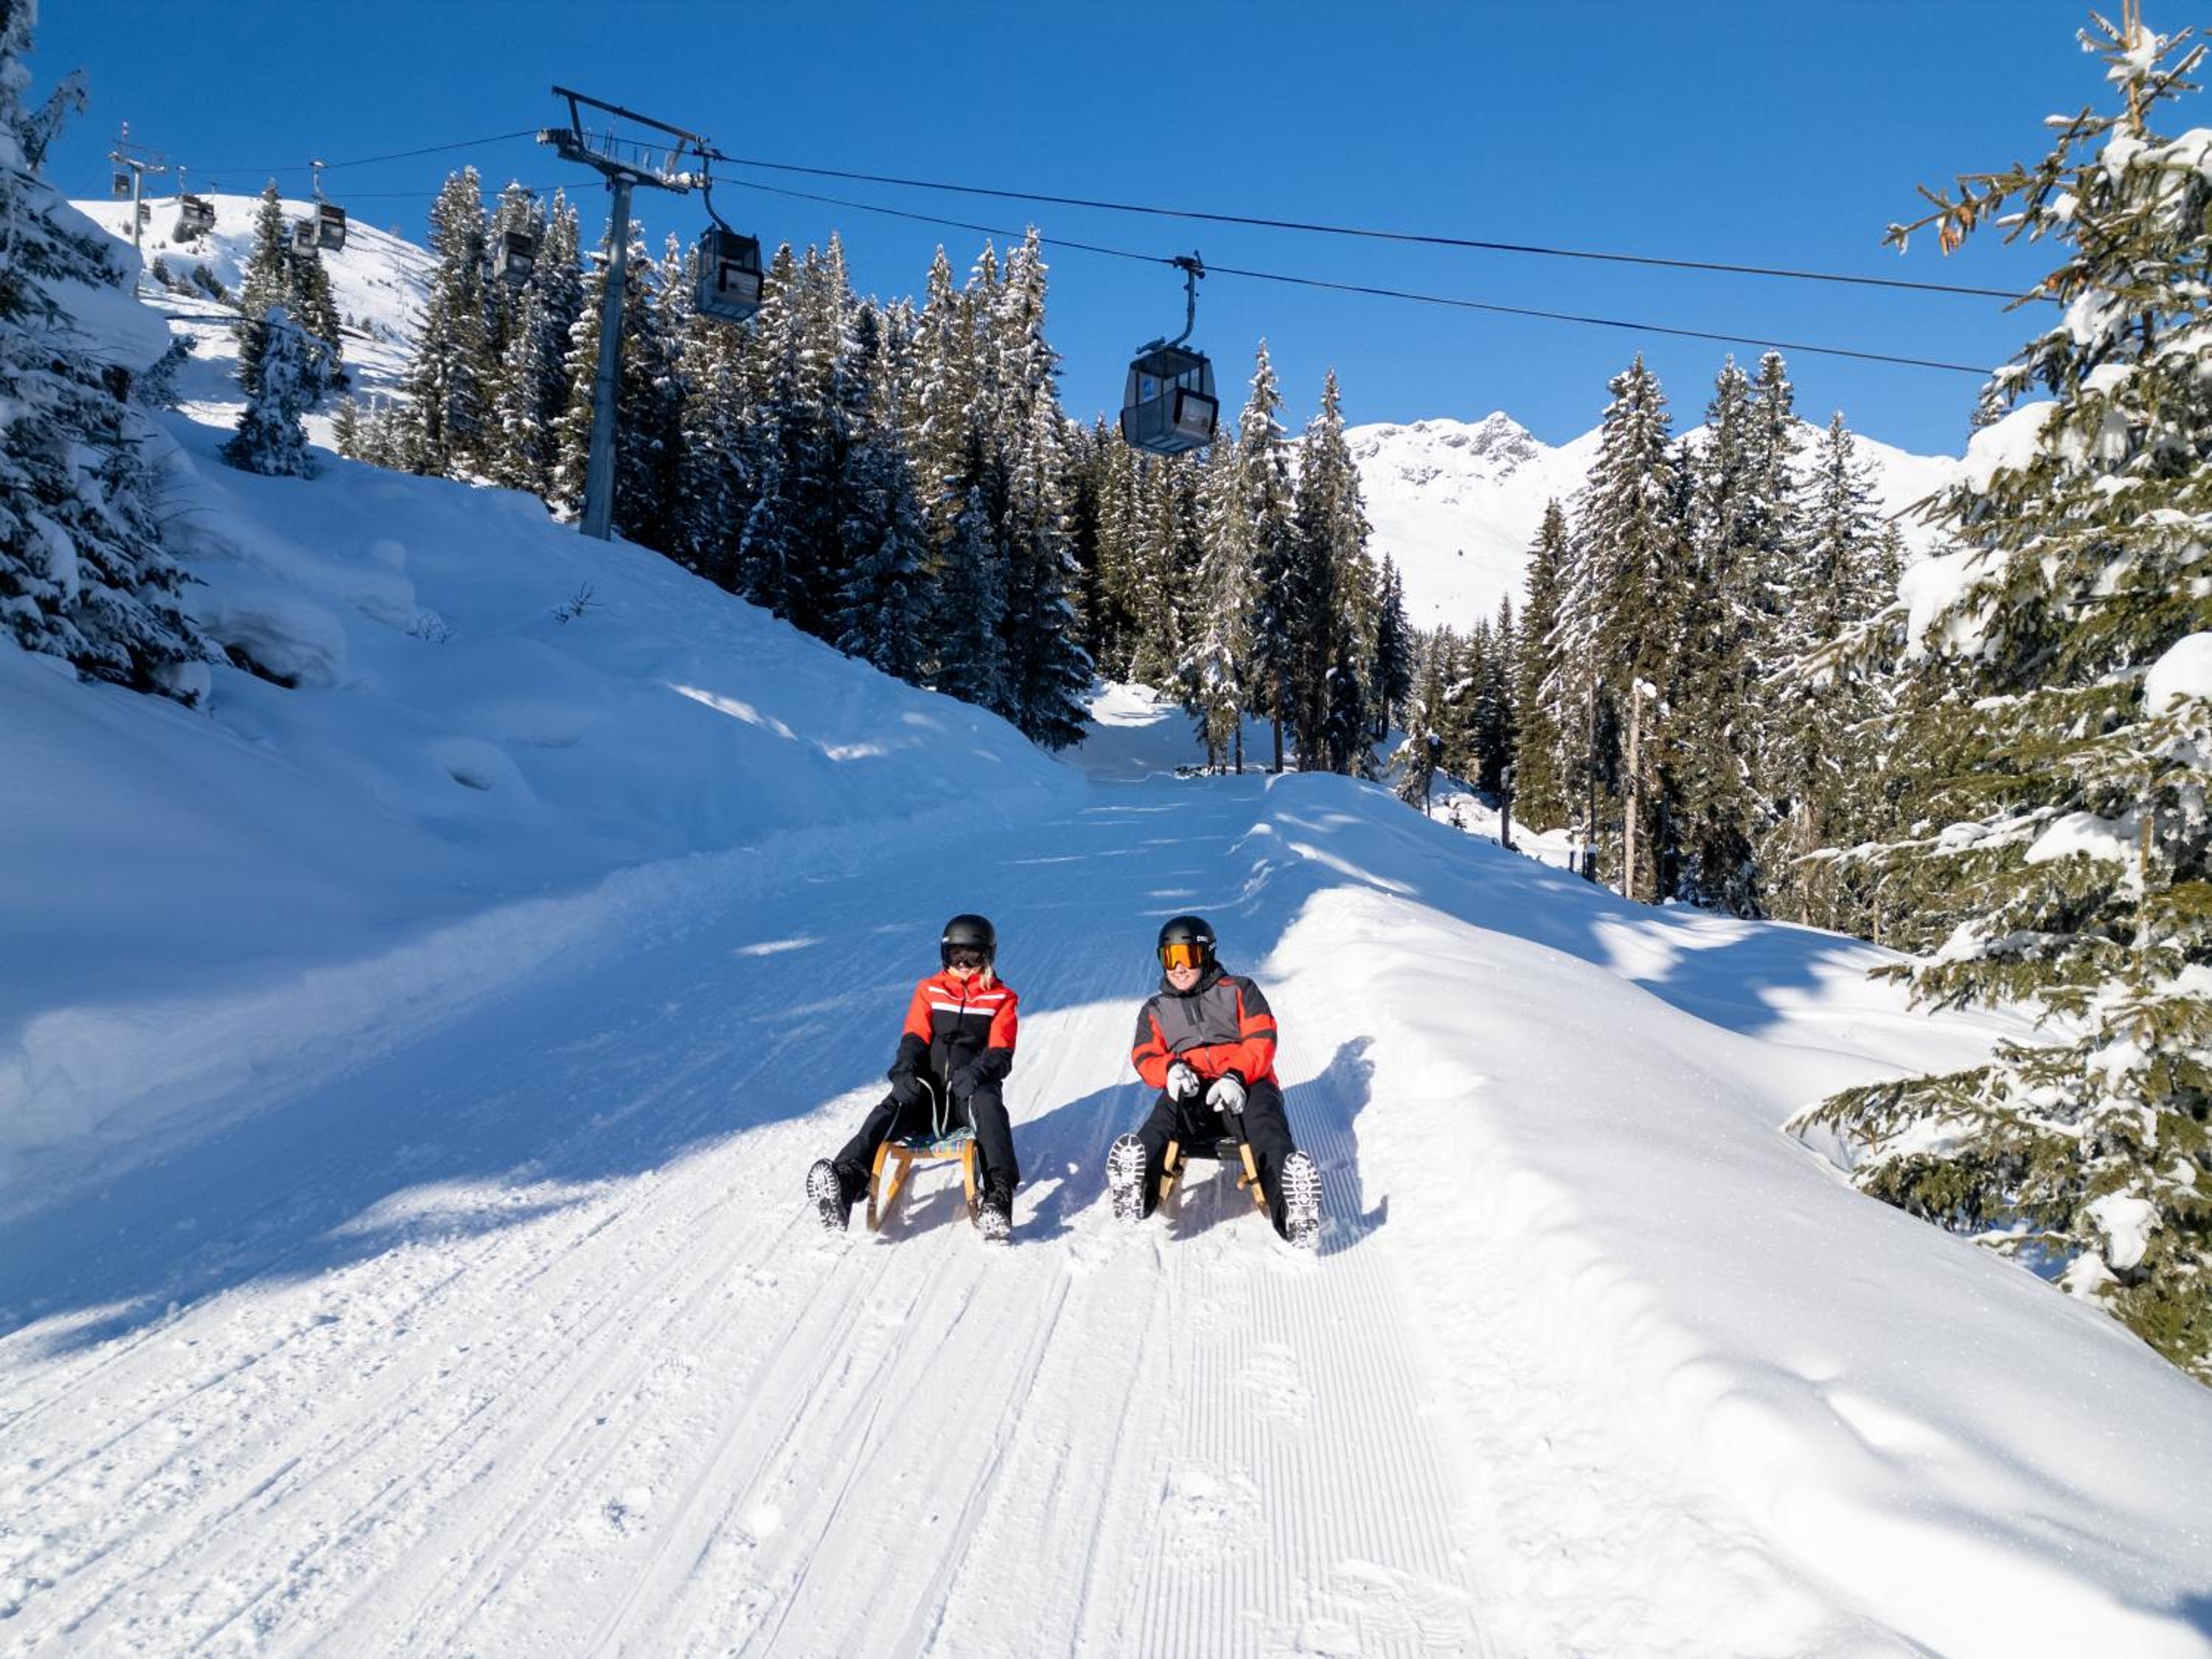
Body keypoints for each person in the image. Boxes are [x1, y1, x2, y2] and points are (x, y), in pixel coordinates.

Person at [1107, 915, 1323, 1248]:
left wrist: (1236, 1075)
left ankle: (1292, 1212)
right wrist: (1170, 1071)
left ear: (1206, 954)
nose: (1178, 968)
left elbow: (1262, 1038)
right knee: (1163, 1120)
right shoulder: (1155, 1009)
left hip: (1246, 1085)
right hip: (1193, 1088)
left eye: (1187, 956)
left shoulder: (1240, 990)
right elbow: (1144, 1055)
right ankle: (1137, 1193)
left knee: (1266, 1128)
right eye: (1169, 957)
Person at [807, 914, 1021, 1239]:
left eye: (972, 956)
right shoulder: (929, 990)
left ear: (988, 956)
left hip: (967, 1095)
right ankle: (847, 1181)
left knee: (989, 1102)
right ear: (944, 955)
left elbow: (1001, 1053)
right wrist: (904, 1071)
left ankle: (998, 1198)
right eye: (956, 955)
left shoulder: (1002, 998)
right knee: (895, 1103)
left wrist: (977, 1073)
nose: (963, 964)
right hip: (929, 1099)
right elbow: (914, 1038)